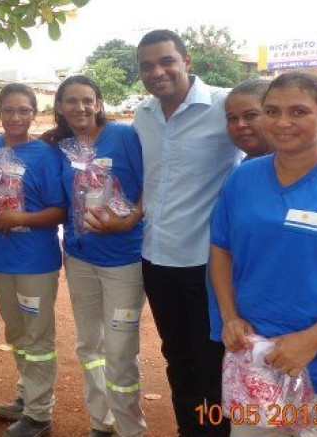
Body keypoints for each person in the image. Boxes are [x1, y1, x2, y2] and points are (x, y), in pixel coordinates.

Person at [209, 72, 317, 437]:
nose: (283, 122)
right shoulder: (242, 179)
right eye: (271, 111)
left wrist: (313, 339)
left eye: (299, 111)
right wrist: (229, 317)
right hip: (255, 360)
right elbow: (221, 249)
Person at [132, 29, 238, 437]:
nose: (157, 72)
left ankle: (216, 432)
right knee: (176, 356)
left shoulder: (225, 105)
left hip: (206, 262)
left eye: (166, 61)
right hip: (156, 258)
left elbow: (289, 132)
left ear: (186, 60)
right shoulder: (143, 115)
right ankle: (189, 429)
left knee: (212, 358)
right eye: (147, 66)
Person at [40, 76, 147, 437]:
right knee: (89, 345)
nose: (80, 108)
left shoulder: (126, 136)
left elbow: (154, 181)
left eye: (87, 100)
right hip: (80, 257)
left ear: (99, 103)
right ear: (59, 107)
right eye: (71, 101)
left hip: (125, 260)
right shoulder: (62, 147)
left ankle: (131, 428)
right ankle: (101, 423)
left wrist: (131, 217)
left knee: (120, 350)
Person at [0, 84, 66, 437]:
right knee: (17, 333)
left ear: (34, 113)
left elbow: (59, 210)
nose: (16, 117)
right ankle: (28, 394)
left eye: (24, 110)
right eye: (9, 110)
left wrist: (20, 220)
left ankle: (39, 415)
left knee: (38, 336)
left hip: (34, 262)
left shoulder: (46, 155)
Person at [225, 79, 271, 160]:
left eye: (250, 115)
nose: (240, 125)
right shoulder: (243, 170)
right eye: (232, 118)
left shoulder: (294, 168)